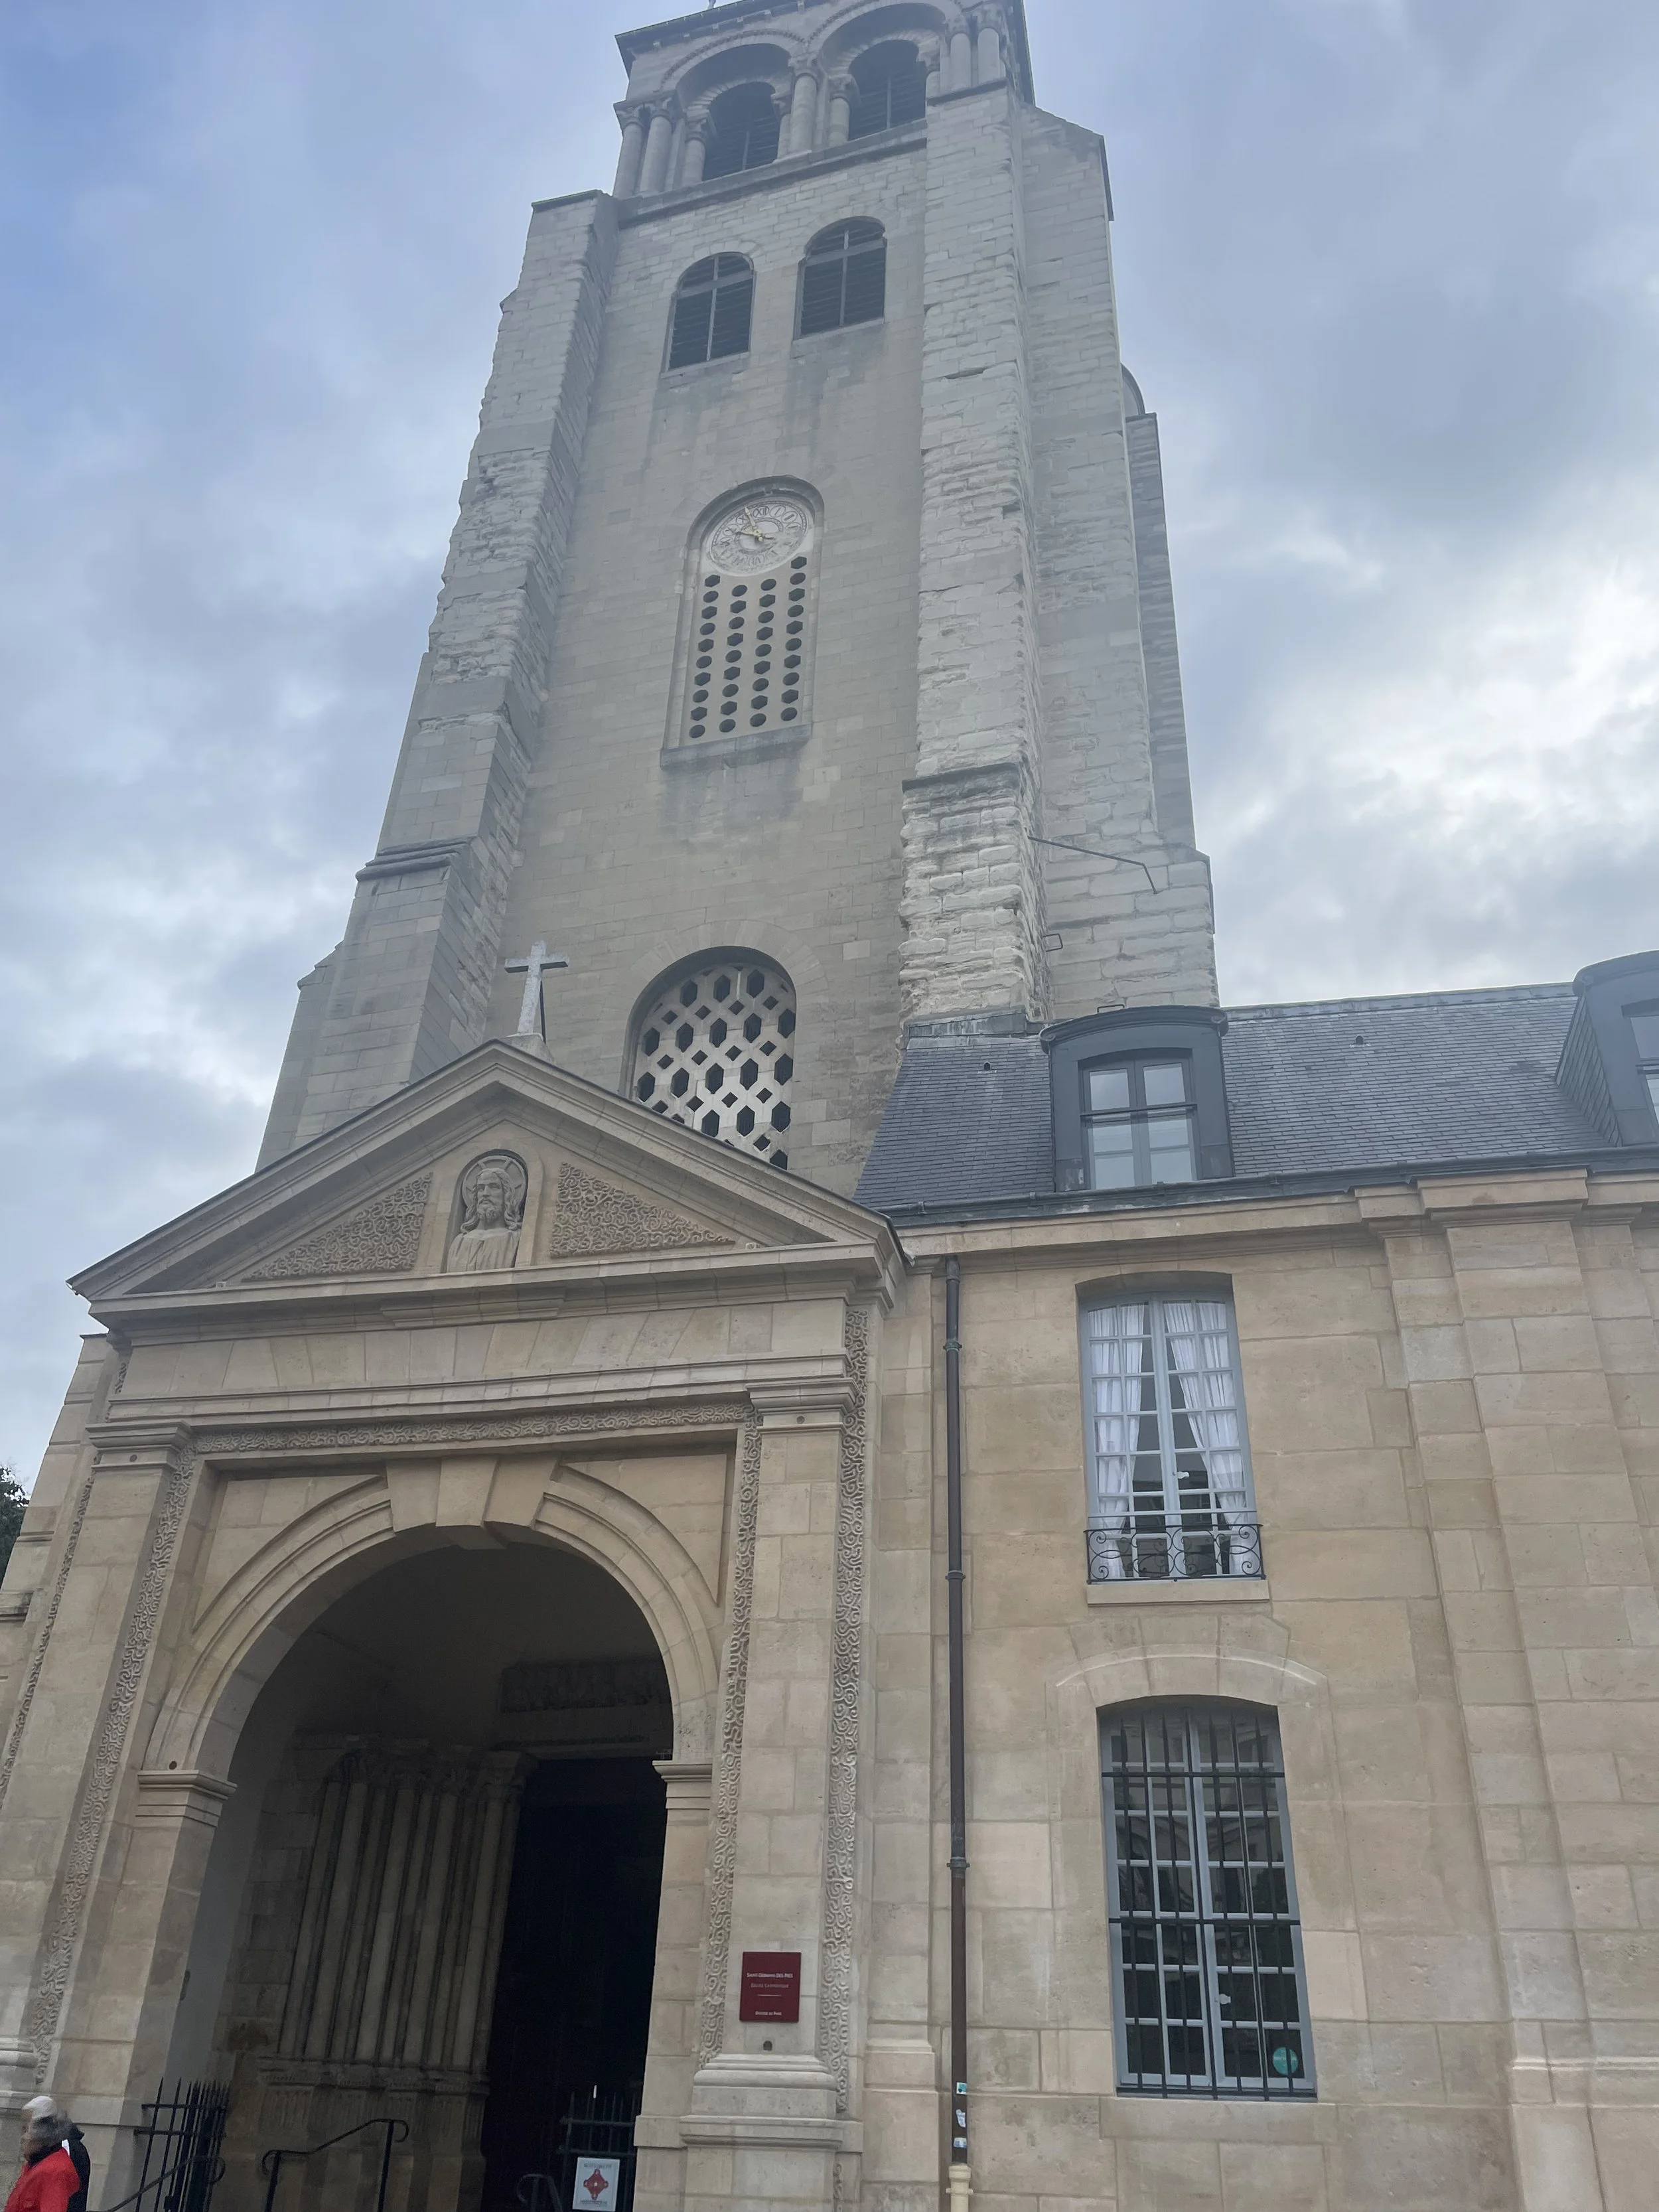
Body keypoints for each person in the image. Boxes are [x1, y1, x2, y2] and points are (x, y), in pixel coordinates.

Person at [4, 2107, 80, 2212]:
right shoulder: (37, 2163)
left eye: (27, 2131)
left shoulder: (54, 2170)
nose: (23, 2138)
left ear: (41, 2138)